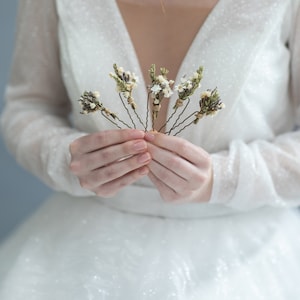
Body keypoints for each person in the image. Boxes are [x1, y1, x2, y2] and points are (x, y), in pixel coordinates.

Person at [0, 0, 300, 298]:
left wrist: (223, 178)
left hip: (247, 261)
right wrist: (63, 157)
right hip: (79, 255)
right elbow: (28, 104)